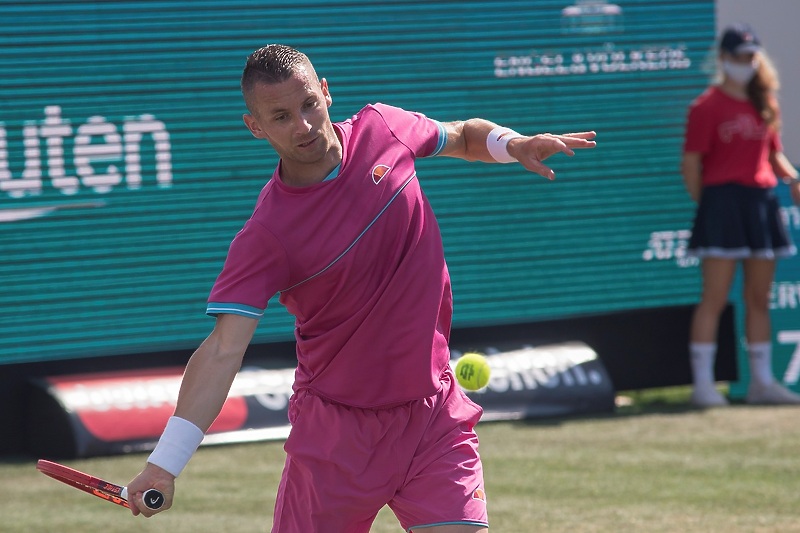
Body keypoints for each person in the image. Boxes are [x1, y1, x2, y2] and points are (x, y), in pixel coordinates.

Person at [125, 44, 596, 532]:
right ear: (256, 127)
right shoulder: (266, 236)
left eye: (308, 103)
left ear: (326, 92)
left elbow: (461, 136)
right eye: (281, 116)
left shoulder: (384, 127)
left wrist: (512, 143)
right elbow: (223, 349)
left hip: (434, 416)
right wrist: (165, 463)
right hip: (336, 437)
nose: (304, 125)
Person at [682, 23, 800, 408]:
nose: (746, 63)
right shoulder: (706, 106)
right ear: (723, 59)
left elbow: (772, 152)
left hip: (762, 201)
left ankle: (762, 383)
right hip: (722, 202)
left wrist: (792, 176)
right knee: (714, 297)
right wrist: (711, 206)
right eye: (738, 57)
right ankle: (703, 386)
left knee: (759, 298)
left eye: (751, 56)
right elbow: (691, 164)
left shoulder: (764, 100)